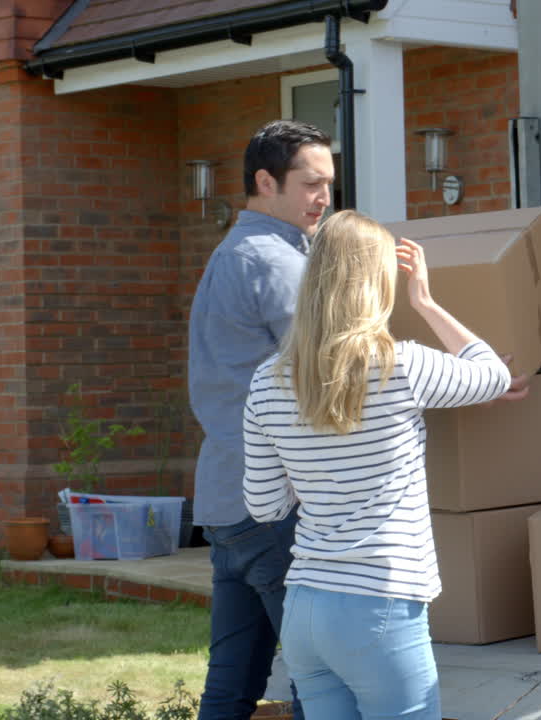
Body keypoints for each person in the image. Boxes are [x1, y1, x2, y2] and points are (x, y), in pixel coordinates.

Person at [241, 210, 524, 719]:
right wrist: (427, 301)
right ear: (376, 282)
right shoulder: (401, 365)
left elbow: (264, 506)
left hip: (305, 606)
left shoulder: (266, 381)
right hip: (380, 604)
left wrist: (318, 475)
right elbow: (493, 374)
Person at [189, 119, 335, 720]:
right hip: (276, 503)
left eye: (329, 183)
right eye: (309, 184)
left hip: (227, 502)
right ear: (265, 181)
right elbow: (330, 377)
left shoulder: (229, 254)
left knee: (232, 682)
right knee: (320, 680)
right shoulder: (279, 265)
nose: (323, 198)